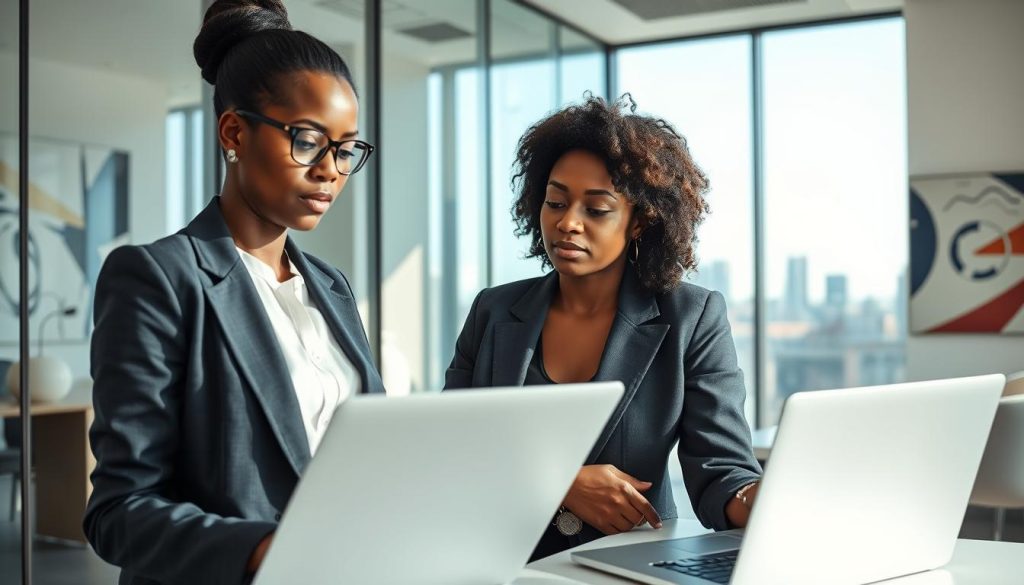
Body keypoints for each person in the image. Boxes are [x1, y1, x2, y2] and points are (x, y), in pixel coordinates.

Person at [83, 2, 383, 583]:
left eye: (346, 149)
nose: (330, 170)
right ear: (234, 132)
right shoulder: (157, 279)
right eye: (308, 140)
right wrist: (265, 551)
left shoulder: (331, 287)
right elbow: (119, 511)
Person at [445, 95, 762, 560]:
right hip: (498, 561)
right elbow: (451, 450)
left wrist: (763, 501)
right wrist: (559, 483)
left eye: (596, 209)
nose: (567, 223)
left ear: (639, 221)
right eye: (555, 201)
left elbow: (722, 471)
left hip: (629, 562)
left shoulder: (691, 317)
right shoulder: (493, 311)